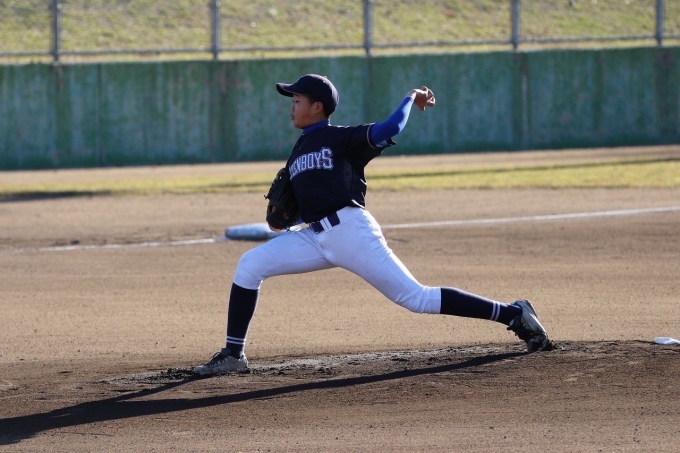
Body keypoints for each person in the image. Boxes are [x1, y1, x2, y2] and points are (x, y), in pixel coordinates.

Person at [193, 74, 551, 376]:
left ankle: (513, 314)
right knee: (250, 265)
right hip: (314, 237)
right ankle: (233, 355)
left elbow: (390, 128)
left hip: (351, 231)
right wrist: (284, 218)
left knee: (416, 298)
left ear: (317, 106)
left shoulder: (342, 138)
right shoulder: (298, 150)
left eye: (297, 99)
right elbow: (297, 210)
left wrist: (410, 96)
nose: (291, 105)